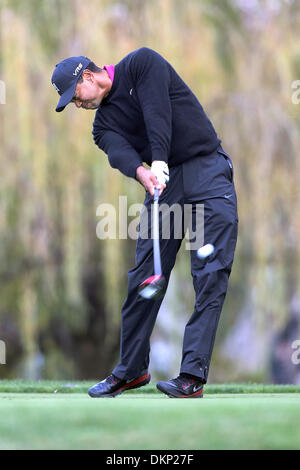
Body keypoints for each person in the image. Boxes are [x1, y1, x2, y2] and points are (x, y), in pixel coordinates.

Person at [51, 47, 238, 398]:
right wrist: (144, 173)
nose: (77, 105)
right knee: (143, 278)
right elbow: (119, 153)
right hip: (163, 185)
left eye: (75, 96)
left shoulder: (141, 64)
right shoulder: (102, 126)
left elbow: (157, 112)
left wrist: (158, 159)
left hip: (206, 170)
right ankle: (131, 370)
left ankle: (191, 376)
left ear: (88, 77)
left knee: (209, 272)